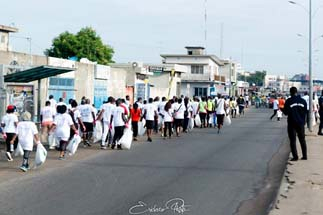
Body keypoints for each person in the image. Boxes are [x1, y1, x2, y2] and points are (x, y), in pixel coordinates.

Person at [283, 87, 307, 161]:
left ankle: (295, 156)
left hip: (292, 123)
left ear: (290, 92)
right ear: (297, 92)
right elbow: (305, 112)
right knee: (302, 139)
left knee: (293, 140)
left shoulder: (289, 101)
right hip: (300, 123)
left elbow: (286, 112)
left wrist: (282, 109)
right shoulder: (303, 101)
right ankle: (305, 156)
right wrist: (304, 121)